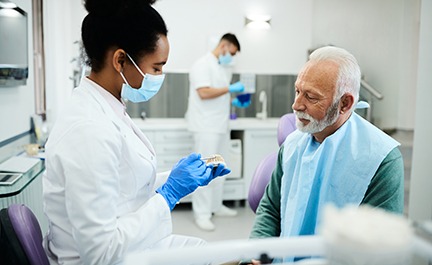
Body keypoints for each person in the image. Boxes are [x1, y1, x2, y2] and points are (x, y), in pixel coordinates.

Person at [42, 0, 230, 264]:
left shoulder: (106, 107)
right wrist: (170, 194)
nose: (160, 76)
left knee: (216, 254)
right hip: (104, 259)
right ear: (120, 60)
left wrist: (174, 178)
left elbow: (122, 188)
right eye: (156, 67)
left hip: (129, 247)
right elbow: (100, 253)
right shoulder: (88, 130)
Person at [248, 46, 404, 263]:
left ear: (345, 103)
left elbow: (379, 251)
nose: (296, 105)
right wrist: (257, 252)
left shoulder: (380, 160)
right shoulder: (293, 144)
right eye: (297, 91)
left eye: (311, 97)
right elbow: (271, 208)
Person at [185, 33, 249, 231]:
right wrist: (230, 89)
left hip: (220, 125)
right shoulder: (201, 65)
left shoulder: (220, 67)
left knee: (220, 167)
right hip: (205, 126)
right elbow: (203, 93)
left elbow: (218, 94)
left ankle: (215, 206)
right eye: (231, 52)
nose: (231, 57)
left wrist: (232, 101)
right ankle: (202, 213)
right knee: (205, 168)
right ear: (223, 45)